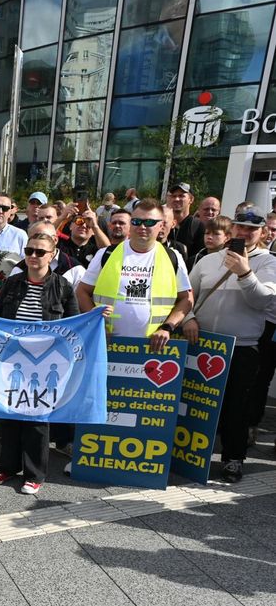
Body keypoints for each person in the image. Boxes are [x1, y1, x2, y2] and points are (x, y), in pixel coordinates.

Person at [182, 207, 276, 482]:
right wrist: (188, 318)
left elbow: (262, 301)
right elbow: (187, 294)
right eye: (240, 228)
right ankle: (188, 453)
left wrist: (245, 273)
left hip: (242, 346)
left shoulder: (268, 263)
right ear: (232, 229)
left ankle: (234, 458)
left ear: (261, 233)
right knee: (196, 401)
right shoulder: (209, 260)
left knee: (237, 406)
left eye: (252, 229)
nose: (244, 233)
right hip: (202, 342)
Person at [0, 232, 79, 495]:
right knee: (11, 415)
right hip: (14, 360)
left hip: (46, 363)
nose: (33, 256)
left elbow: (74, 324)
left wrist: (96, 316)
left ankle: (34, 474)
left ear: (52, 255)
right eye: (29, 251)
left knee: (38, 419)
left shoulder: (62, 286)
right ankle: (7, 468)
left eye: (40, 252)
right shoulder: (13, 283)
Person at [77, 198, 193, 354]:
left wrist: (167, 327)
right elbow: (82, 291)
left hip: (151, 347)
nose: (142, 227)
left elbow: (187, 299)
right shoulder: (106, 254)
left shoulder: (173, 256)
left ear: (161, 225)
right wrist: (96, 323)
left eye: (150, 222)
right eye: (136, 221)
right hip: (108, 343)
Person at [168, 181, 205, 258]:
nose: (177, 199)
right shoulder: (162, 224)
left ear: (191, 199)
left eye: (181, 196)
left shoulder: (198, 226)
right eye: (173, 196)